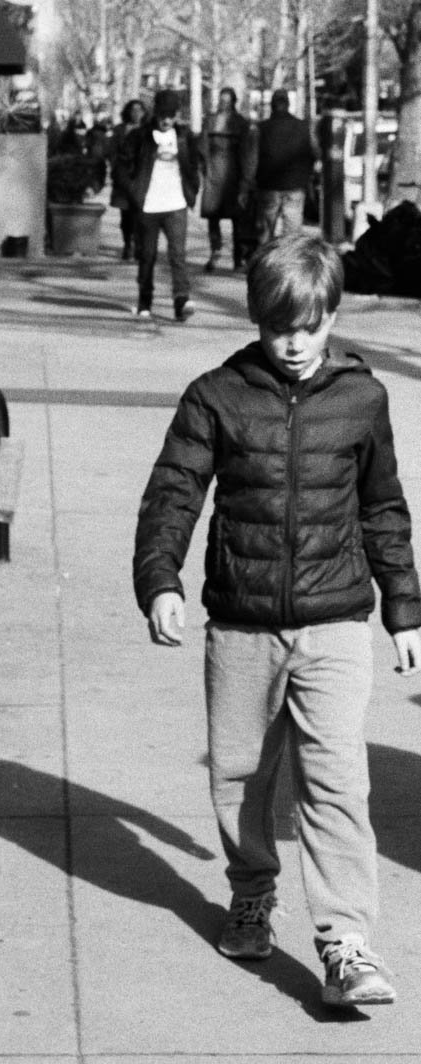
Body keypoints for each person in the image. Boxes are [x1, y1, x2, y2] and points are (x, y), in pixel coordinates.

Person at [133, 232, 421, 1008]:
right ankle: (252, 890)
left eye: (310, 326)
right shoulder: (215, 396)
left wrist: (404, 607)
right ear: (257, 320)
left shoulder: (362, 397)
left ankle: (345, 942)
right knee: (238, 775)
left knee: (335, 781)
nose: (293, 345)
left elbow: (382, 507)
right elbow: (173, 495)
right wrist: (159, 580)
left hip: (334, 620)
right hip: (240, 623)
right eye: (276, 327)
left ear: (331, 314)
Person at [114, 87, 201, 321]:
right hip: (148, 205)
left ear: (177, 115)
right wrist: (134, 193)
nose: (166, 120)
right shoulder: (140, 136)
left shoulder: (185, 137)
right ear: (155, 113)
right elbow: (121, 167)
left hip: (176, 204)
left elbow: (194, 165)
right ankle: (145, 301)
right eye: (162, 114)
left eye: (171, 115)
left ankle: (181, 301)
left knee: (178, 255)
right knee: (147, 256)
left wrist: (193, 189)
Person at [255, 89, 318, 242]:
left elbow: (252, 158)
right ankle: (289, 263)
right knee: (293, 234)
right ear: (288, 105)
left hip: (268, 186)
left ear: (272, 105)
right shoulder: (303, 127)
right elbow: (315, 152)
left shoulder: (262, 128)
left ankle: (265, 262)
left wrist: (248, 182)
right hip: (295, 186)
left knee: (265, 233)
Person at [200, 86, 251, 272]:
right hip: (214, 176)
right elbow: (202, 147)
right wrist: (203, 170)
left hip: (234, 177)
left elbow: (246, 152)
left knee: (237, 220)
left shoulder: (241, 123)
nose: (224, 104)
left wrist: (246, 180)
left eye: (227, 101)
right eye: (222, 100)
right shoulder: (211, 121)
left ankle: (238, 258)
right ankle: (215, 251)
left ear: (233, 102)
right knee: (213, 217)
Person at [110, 98, 147, 261]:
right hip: (123, 176)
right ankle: (127, 244)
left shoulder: (148, 130)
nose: (136, 113)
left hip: (142, 177)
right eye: (133, 110)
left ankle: (139, 244)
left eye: (140, 110)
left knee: (140, 214)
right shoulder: (119, 130)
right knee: (125, 215)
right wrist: (116, 169)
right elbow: (112, 151)